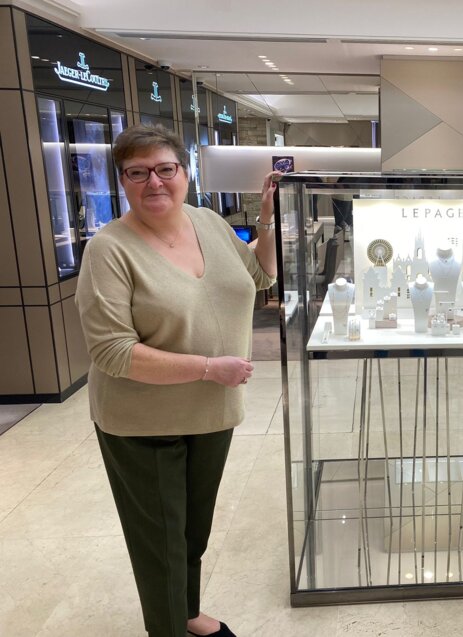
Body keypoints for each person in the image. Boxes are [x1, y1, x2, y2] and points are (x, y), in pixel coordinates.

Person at [76, 124, 278, 637]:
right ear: (121, 181)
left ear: (185, 174)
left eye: (166, 170)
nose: (154, 183)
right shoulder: (109, 249)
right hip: (144, 420)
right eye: (137, 173)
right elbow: (112, 351)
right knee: (160, 541)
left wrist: (269, 223)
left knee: (191, 532)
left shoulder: (207, 222)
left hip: (211, 412)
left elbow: (260, 278)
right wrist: (211, 368)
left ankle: (186, 613)